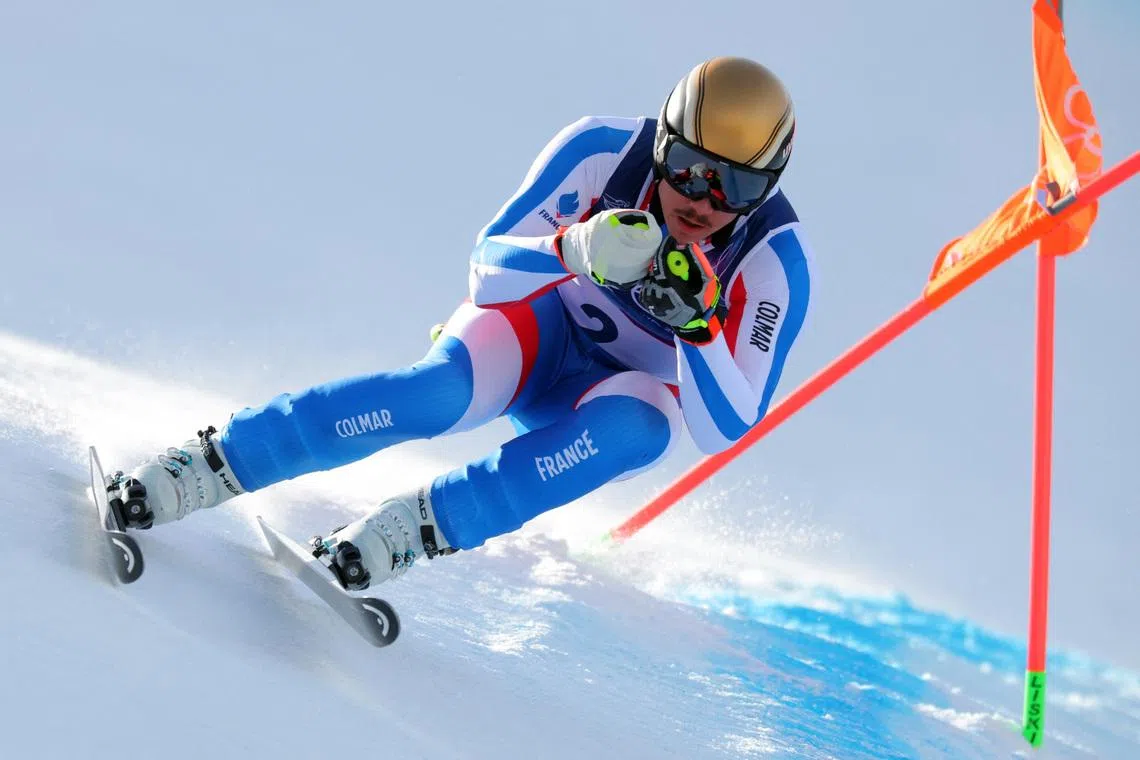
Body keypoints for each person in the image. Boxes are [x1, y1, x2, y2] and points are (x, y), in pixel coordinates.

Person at [105, 56, 813, 590]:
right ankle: (207, 465)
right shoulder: (603, 151)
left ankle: (400, 533)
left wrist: (701, 331)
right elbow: (487, 268)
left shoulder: (774, 260)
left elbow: (728, 426)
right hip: (534, 335)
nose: (704, 200)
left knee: (647, 429)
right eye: (689, 169)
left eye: (737, 186)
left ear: (767, 190)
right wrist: (572, 249)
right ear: (662, 143)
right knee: (436, 396)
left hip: (610, 401)